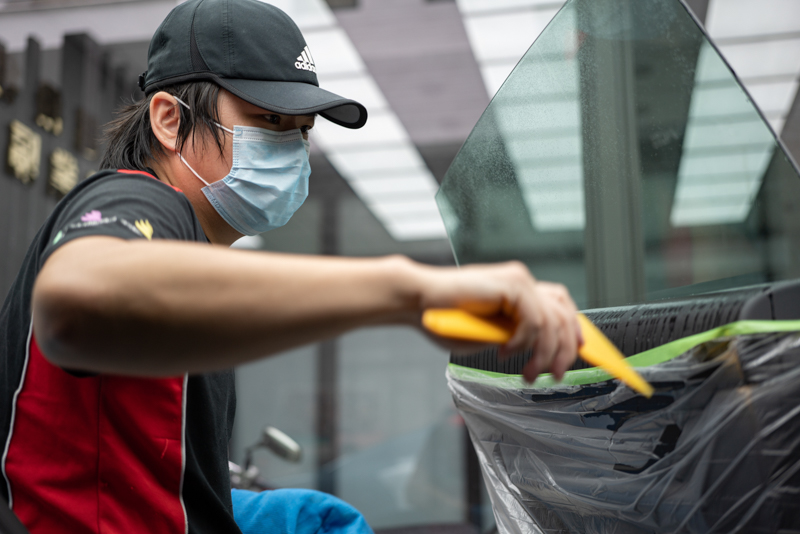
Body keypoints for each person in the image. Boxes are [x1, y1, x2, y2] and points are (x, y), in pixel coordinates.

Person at [0, 0, 582, 532]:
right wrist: (408, 291)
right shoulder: (140, 201)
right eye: (270, 122)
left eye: (302, 133)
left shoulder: (192, 263)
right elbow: (77, 303)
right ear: (170, 121)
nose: (292, 150)